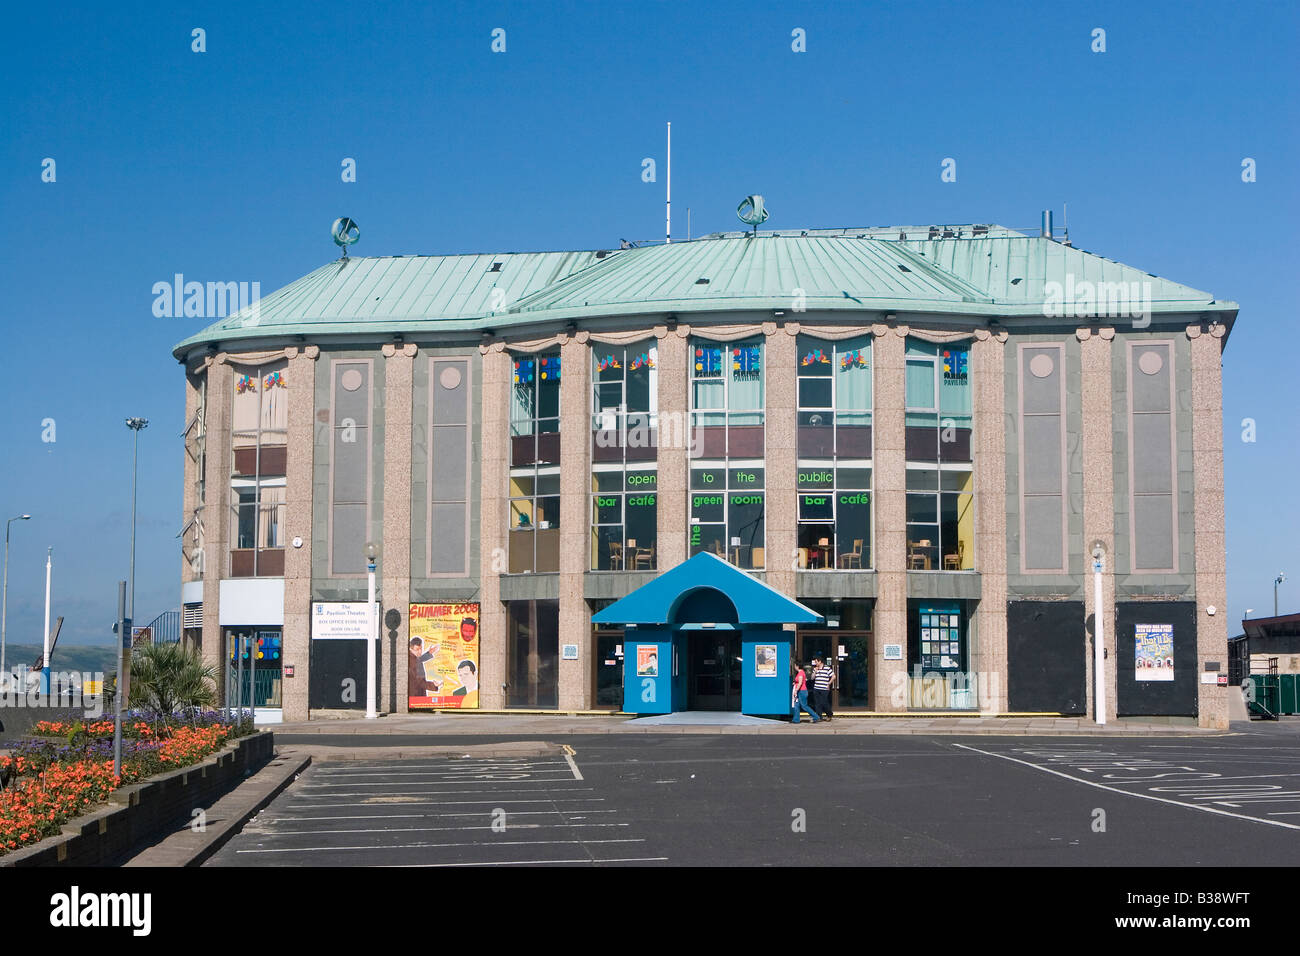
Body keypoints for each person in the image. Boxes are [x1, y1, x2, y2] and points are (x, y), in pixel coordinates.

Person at [791, 659, 820, 723]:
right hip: (800, 691)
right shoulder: (800, 673)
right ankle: (796, 719)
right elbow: (798, 681)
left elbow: (800, 682)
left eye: (795, 665)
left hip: (802, 691)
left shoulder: (801, 673)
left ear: (797, 666)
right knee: (796, 705)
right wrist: (795, 683)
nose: (794, 667)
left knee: (804, 706)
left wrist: (796, 690)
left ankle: (816, 717)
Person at [812, 656, 835, 722]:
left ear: (820, 661)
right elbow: (812, 678)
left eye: (816, 662)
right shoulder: (815, 669)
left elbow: (833, 676)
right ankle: (819, 717)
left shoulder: (827, 668)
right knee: (817, 703)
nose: (815, 663)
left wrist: (829, 683)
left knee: (824, 702)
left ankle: (829, 714)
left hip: (824, 688)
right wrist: (815, 672)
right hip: (816, 688)